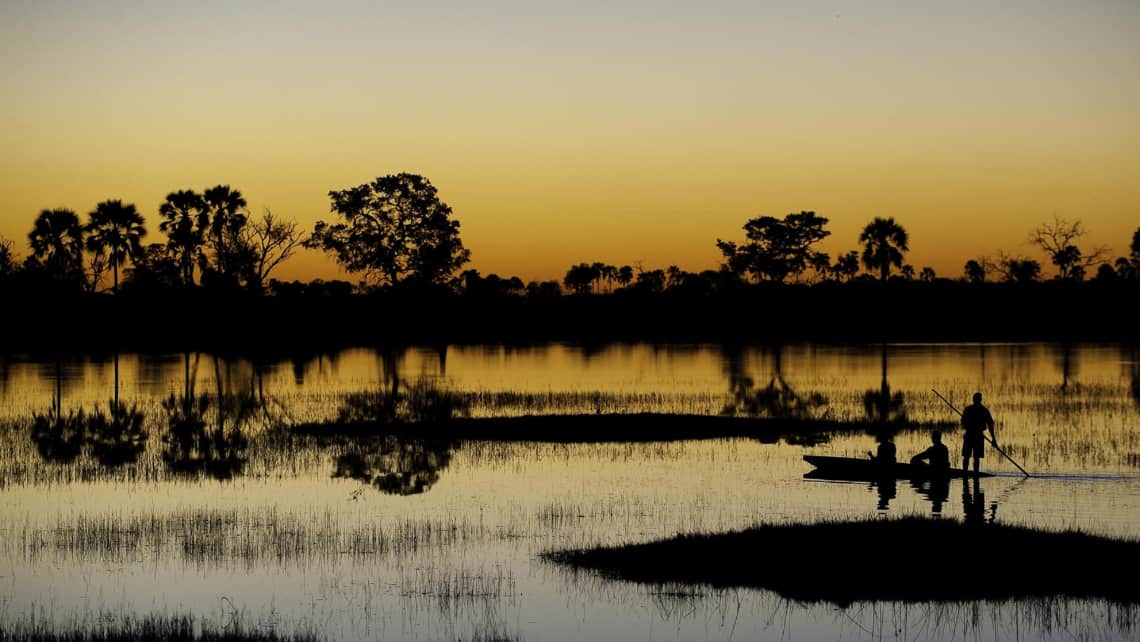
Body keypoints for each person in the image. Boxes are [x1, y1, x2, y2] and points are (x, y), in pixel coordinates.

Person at [961, 392, 996, 474]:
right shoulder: (968, 409)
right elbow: (963, 423)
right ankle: (965, 473)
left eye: (976, 399)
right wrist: (969, 426)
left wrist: (994, 439)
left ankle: (974, 473)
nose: (974, 400)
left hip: (978, 436)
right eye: (974, 398)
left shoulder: (984, 411)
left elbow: (990, 425)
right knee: (967, 456)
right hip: (970, 435)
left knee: (975, 457)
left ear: (979, 400)